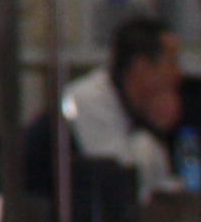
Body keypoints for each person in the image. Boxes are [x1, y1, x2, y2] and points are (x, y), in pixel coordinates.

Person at [58, 15, 185, 179]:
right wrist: (151, 131)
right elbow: (119, 176)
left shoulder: (133, 107)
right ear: (141, 67)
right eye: (172, 63)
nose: (178, 73)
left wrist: (156, 126)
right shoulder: (86, 99)